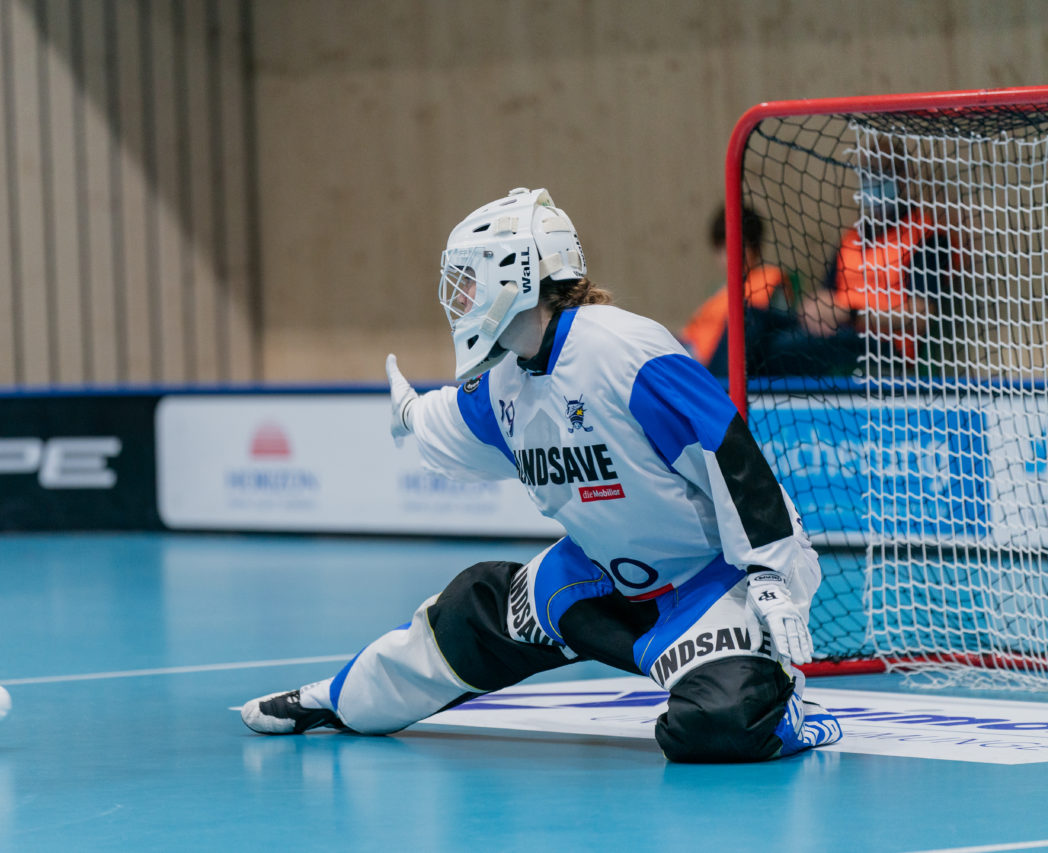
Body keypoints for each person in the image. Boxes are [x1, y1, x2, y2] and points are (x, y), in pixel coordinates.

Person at [240, 187, 842, 763]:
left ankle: (785, 711)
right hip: (601, 577)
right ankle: (336, 700)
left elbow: (729, 453)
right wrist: (409, 415)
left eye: (471, 277)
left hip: (710, 580)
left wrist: (770, 573)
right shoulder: (505, 380)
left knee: (720, 723)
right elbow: (450, 420)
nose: (460, 295)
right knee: (472, 610)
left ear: (516, 274)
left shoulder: (627, 352)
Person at [763, 138, 952, 376]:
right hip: (836, 334)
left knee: (777, 351)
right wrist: (816, 310)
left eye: (882, 175)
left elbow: (921, 314)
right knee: (756, 324)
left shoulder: (923, 236)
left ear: (903, 178)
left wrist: (852, 314)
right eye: (866, 176)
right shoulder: (852, 238)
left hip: (884, 347)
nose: (872, 184)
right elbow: (824, 296)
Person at [680, 205, 790, 377]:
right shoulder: (720, 292)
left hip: (720, 369)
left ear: (755, 248)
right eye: (722, 249)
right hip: (692, 356)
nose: (728, 256)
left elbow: (767, 331)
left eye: (736, 247)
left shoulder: (769, 280)